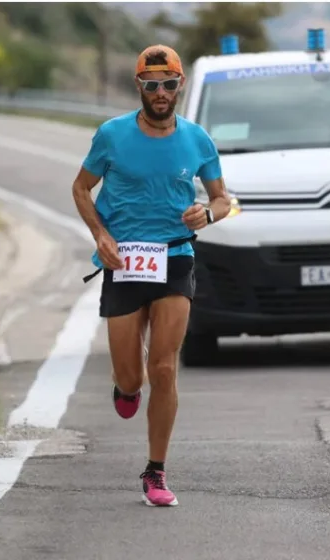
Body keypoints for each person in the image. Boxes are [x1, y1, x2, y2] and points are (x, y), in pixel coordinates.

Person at [71, 44, 231, 507]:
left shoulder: (198, 139)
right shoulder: (112, 135)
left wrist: (209, 213)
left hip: (175, 258)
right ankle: (126, 387)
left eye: (168, 84)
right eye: (150, 84)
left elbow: (223, 199)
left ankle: (155, 472)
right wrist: (101, 235)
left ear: (180, 85)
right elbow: (81, 188)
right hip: (124, 262)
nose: (160, 93)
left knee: (163, 368)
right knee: (133, 377)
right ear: (139, 87)